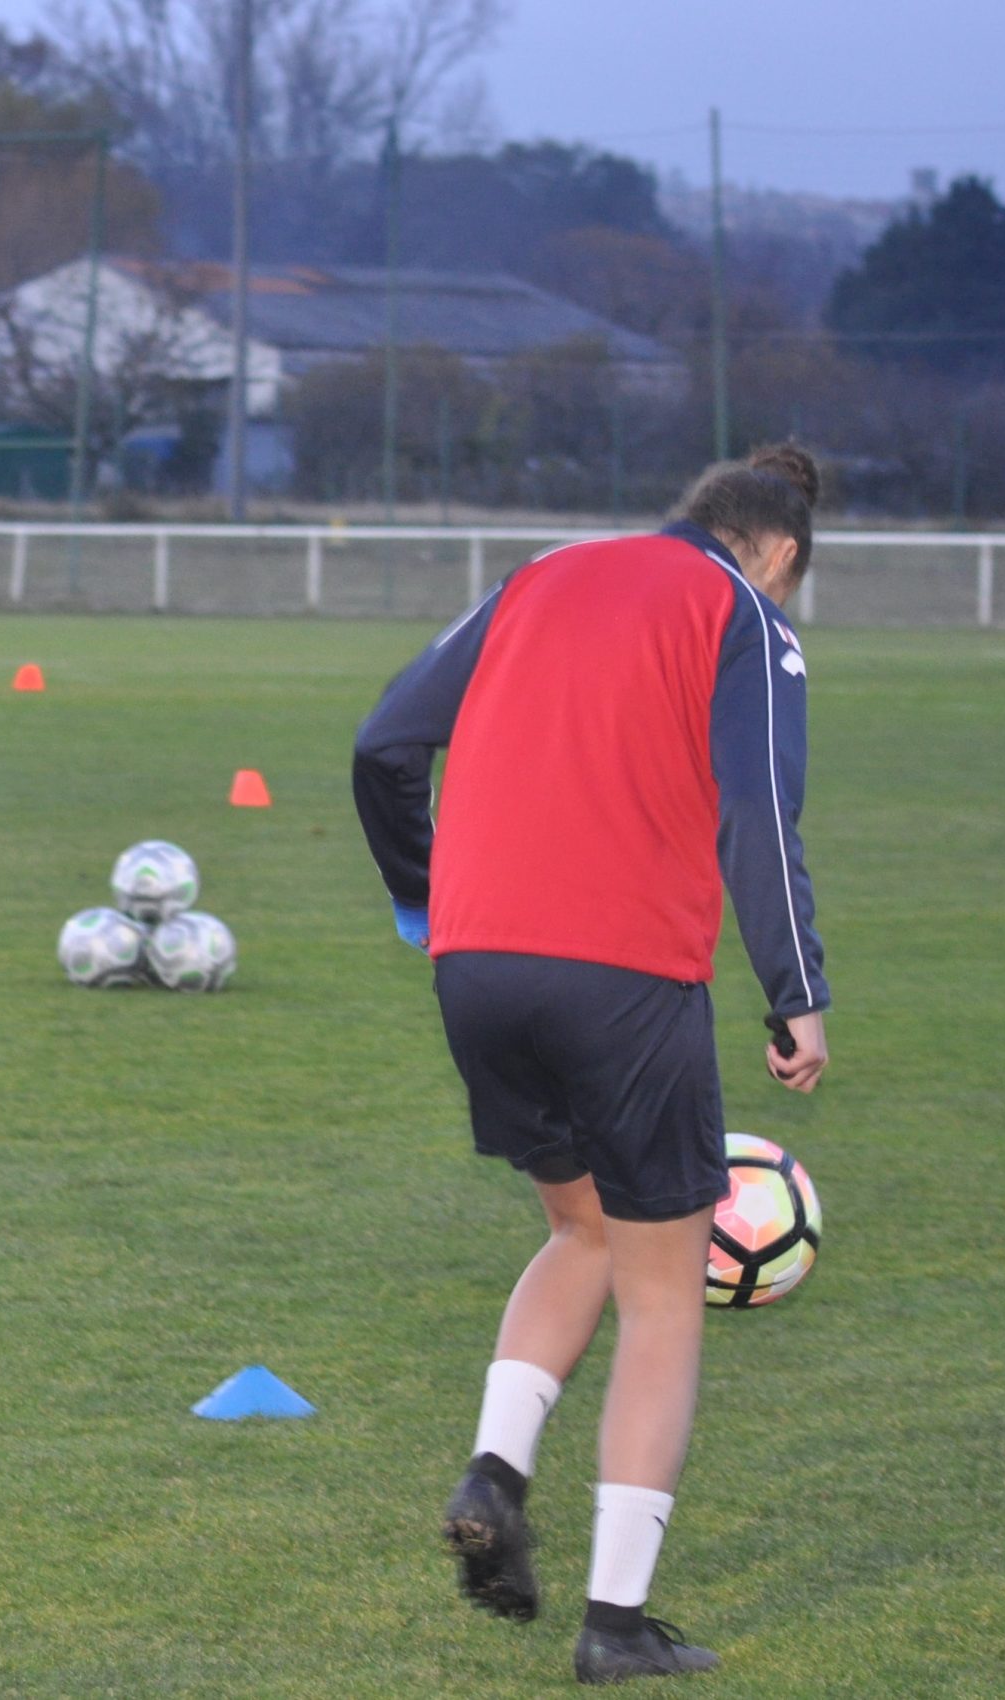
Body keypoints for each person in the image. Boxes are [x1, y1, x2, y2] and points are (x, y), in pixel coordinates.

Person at [351, 445, 832, 1684]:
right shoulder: (743, 613)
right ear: (776, 552)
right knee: (665, 1293)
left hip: (478, 964)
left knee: (583, 1231)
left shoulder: (543, 572)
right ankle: (616, 1624)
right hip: (622, 974)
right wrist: (796, 995)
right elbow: (758, 815)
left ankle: (494, 1472)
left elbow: (384, 747)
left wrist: (425, 898)